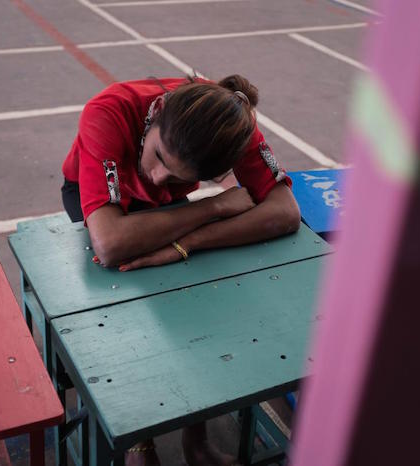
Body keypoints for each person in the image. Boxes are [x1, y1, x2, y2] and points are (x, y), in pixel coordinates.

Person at [61, 75, 301, 465]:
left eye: (178, 176)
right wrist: (213, 206)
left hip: (170, 213)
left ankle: (196, 437)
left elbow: (285, 212)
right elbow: (110, 243)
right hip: (101, 199)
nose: (157, 178)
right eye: (158, 156)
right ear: (156, 112)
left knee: (195, 313)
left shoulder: (229, 124)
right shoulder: (108, 112)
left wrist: (187, 244)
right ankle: (140, 442)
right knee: (123, 312)